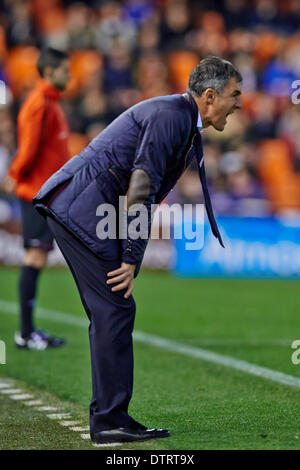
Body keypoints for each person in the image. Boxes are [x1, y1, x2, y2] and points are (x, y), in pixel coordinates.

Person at [33, 56, 242, 444]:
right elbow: (141, 186)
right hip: (81, 209)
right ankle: (110, 420)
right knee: (115, 307)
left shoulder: (178, 116)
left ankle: (111, 416)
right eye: (235, 95)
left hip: (82, 206)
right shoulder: (173, 117)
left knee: (111, 309)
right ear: (210, 96)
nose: (240, 104)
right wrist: (131, 257)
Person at [3, 48, 70, 350]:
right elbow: (28, 149)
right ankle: (26, 333)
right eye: (65, 70)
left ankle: (28, 331)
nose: (70, 75)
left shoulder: (49, 103)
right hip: (36, 193)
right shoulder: (39, 104)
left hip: (45, 192)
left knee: (37, 258)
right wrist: (16, 175)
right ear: (50, 71)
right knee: (34, 258)